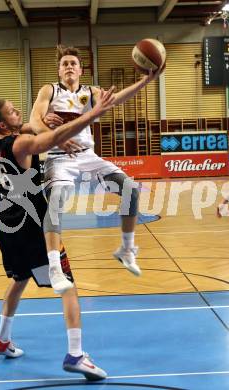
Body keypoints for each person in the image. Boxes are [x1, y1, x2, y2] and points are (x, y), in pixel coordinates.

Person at [0, 91, 114, 380]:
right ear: (3, 125)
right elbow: (48, 140)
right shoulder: (22, 145)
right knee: (67, 284)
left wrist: (42, 120)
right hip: (33, 227)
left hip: (6, 225)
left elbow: (29, 127)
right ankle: (76, 354)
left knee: (19, 279)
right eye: (13, 111)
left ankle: (2, 339)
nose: (19, 112)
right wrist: (91, 115)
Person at [29, 45, 163, 294]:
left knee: (130, 191)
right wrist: (54, 137)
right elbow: (34, 121)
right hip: (59, 157)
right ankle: (54, 268)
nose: (69, 66)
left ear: (81, 69)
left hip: (88, 156)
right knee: (56, 202)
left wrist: (145, 81)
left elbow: (117, 98)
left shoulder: (89, 92)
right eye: (65, 63)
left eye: (73, 63)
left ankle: (126, 249)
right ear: (59, 70)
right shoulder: (49, 90)